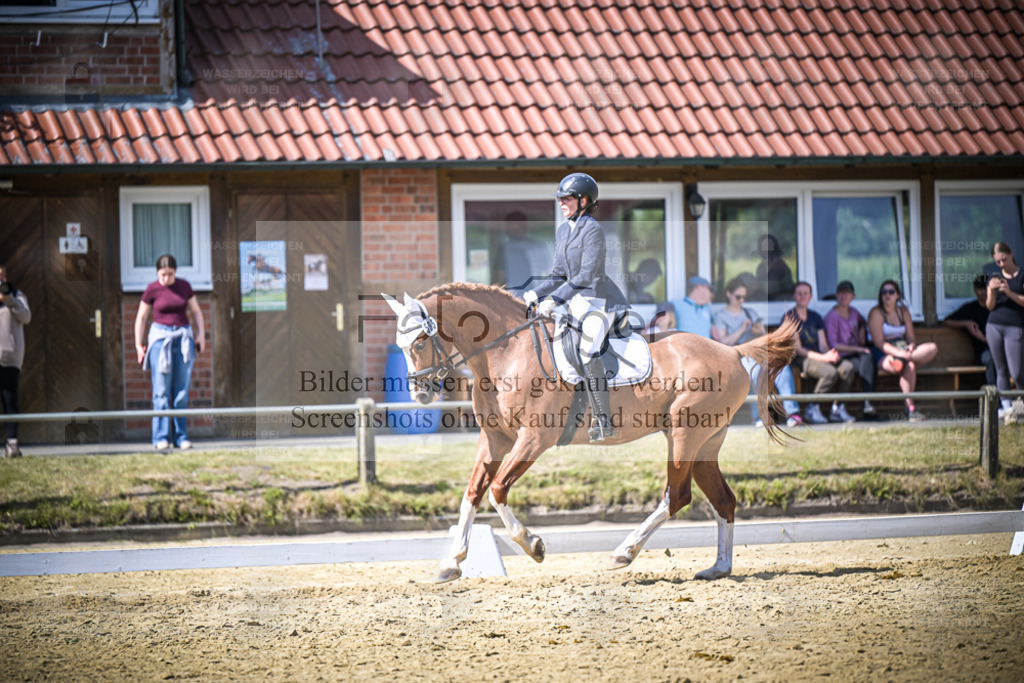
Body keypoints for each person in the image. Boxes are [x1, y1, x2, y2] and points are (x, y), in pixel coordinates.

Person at [523, 173, 629, 442]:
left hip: (599, 301)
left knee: (587, 348)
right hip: (577, 301)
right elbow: (559, 273)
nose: (561, 202)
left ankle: (603, 420)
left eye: (566, 198)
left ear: (584, 200)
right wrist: (536, 291)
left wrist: (555, 300)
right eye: (560, 198)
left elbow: (585, 275)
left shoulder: (593, 229)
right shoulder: (563, 230)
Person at [134, 254, 206, 451]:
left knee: (181, 392)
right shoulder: (152, 289)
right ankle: (161, 438)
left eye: (170, 274)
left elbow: (197, 311)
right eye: (163, 274)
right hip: (160, 341)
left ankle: (181, 436)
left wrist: (201, 335)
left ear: (176, 272)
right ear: (157, 273)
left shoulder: (184, 286)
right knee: (161, 391)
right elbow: (141, 317)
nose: (166, 278)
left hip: (183, 339)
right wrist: (138, 345)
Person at [712, 277, 802, 427]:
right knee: (755, 372)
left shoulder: (750, 312)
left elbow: (764, 337)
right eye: (738, 297)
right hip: (737, 354)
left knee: (782, 368)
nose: (742, 300)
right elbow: (723, 343)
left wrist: (759, 330)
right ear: (728, 294)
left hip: (757, 350)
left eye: (744, 297)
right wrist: (742, 329)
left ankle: (792, 413)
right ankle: (760, 416)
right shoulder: (720, 315)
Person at [783, 281, 855, 425]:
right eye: (799, 293)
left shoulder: (815, 317)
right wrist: (824, 358)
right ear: (794, 296)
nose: (803, 296)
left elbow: (822, 344)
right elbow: (799, 349)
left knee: (847, 367)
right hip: (801, 359)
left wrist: (831, 354)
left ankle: (838, 408)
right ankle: (812, 407)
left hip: (819, 355)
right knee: (830, 373)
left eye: (806, 293)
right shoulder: (789, 317)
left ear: (811, 296)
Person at [867, 279, 938, 422]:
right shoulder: (876, 313)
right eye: (884, 292)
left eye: (891, 292)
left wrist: (911, 346)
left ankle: (909, 410)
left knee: (932, 348)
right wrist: (899, 354)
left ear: (898, 295)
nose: (887, 295)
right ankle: (910, 409)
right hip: (883, 351)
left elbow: (911, 337)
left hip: (903, 348)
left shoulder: (903, 312)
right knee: (905, 365)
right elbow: (879, 343)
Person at [824, 280, 877, 420]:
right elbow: (833, 344)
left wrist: (861, 330)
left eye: (847, 293)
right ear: (836, 295)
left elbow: (862, 322)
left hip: (855, 354)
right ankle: (841, 407)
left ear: (852, 296)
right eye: (841, 293)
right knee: (855, 365)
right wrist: (857, 348)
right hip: (839, 356)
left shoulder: (854, 312)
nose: (843, 296)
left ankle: (867, 402)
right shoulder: (832, 317)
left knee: (869, 359)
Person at [983, 242, 1024, 421]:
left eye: (1003, 260)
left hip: (1014, 326)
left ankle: (1021, 402)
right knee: (1001, 369)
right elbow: (989, 306)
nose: (1001, 264)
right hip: (994, 325)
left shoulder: (1021, 275)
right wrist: (991, 291)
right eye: (997, 262)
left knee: (1017, 371)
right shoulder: (995, 276)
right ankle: (1006, 407)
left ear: (1011, 254)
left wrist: (1008, 292)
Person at [943, 274, 997, 387]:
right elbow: (947, 321)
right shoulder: (970, 308)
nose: (982, 292)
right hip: (983, 352)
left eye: (984, 289)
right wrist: (966, 323)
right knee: (992, 358)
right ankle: (994, 395)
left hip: (1001, 348)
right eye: (979, 289)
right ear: (974, 289)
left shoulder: (998, 307)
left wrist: (985, 338)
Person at [0, 264, 30, 458]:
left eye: (1, 277)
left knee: (10, 400)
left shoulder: (17, 296)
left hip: (9, 357)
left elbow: (26, 317)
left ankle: (12, 444)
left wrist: (8, 300)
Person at [753, 233, 794, 301]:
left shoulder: (781, 266)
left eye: (763, 246)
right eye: (759, 246)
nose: (759, 249)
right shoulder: (761, 267)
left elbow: (788, 290)